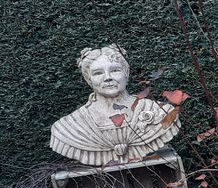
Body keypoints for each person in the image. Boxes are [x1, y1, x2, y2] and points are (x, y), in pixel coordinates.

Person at [49, 45, 179, 166]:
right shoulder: (67, 128)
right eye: (98, 73)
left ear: (126, 73)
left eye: (115, 70)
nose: (108, 78)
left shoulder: (162, 112)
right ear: (89, 79)